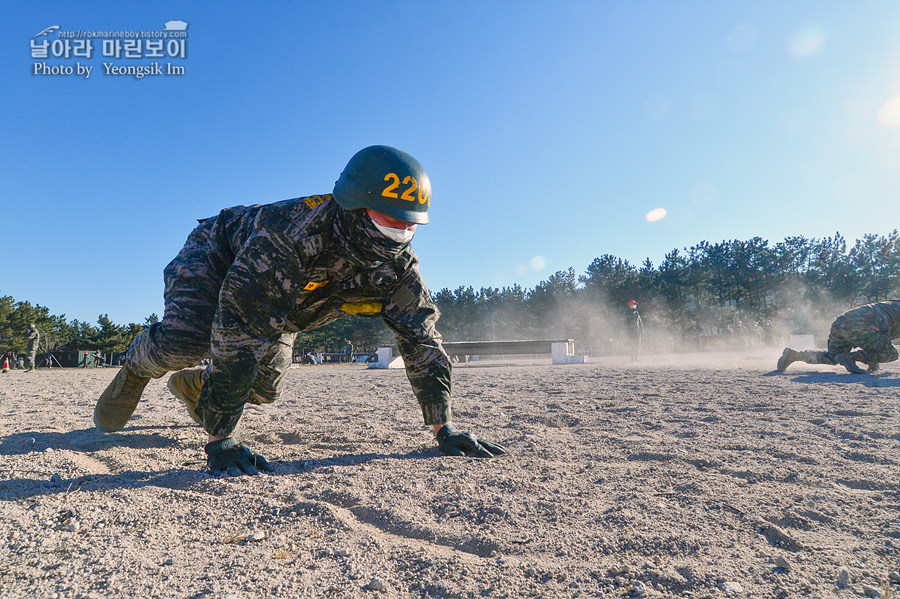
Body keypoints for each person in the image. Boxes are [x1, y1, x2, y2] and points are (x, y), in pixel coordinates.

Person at [93, 145, 506, 476]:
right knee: (187, 339)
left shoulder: (398, 269)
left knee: (265, 388)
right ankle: (136, 368)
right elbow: (241, 330)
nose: (398, 233)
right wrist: (221, 438)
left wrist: (442, 425)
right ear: (355, 206)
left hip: (288, 302)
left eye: (408, 224)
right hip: (219, 257)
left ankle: (196, 386)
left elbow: (421, 339)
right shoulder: (290, 235)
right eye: (386, 220)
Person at [776, 300, 900, 374]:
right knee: (892, 354)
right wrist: (872, 361)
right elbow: (879, 341)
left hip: (841, 322)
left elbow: (879, 339)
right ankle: (850, 357)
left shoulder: (892, 304)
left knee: (833, 357)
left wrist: (872, 364)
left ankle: (794, 355)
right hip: (864, 326)